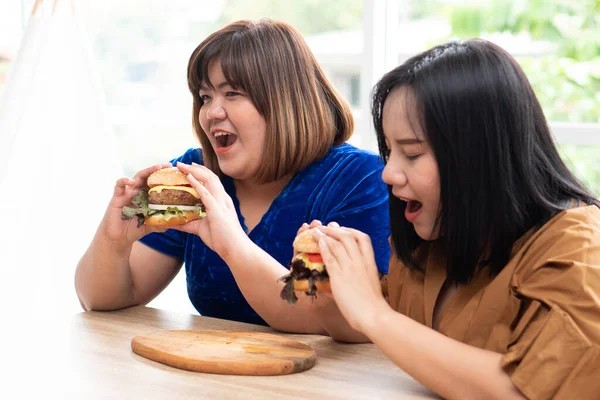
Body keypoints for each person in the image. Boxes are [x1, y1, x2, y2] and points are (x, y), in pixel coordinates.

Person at [309, 39, 600, 399]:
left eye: (412, 154)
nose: (388, 173)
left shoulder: (577, 247)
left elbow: (527, 391)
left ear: (480, 156)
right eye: (390, 150)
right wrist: (332, 287)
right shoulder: (431, 242)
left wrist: (374, 313)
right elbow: (381, 332)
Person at [75, 19, 390, 333]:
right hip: (215, 376)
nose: (211, 112)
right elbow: (102, 300)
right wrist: (113, 241)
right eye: (205, 96)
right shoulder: (194, 178)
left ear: (286, 101)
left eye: (233, 93)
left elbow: (339, 324)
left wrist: (233, 246)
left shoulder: (360, 180)